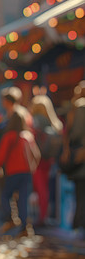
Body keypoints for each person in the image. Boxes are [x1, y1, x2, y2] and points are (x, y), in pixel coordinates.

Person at [0, 109, 40, 237]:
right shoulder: (28, 136)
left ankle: (11, 218)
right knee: (23, 199)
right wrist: (32, 168)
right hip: (26, 173)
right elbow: (37, 155)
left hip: (13, 172)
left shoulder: (9, 136)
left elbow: (0, 156)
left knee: (5, 196)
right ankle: (25, 227)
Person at [29, 94, 63, 227]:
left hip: (37, 159)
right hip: (49, 160)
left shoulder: (35, 121)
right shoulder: (53, 123)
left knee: (39, 189)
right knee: (45, 189)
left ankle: (41, 217)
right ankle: (45, 215)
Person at [60, 80, 85, 233]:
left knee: (79, 192)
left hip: (77, 154)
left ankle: (78, 222)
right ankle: (79, 222)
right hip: (80, 155)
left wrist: (67, 149)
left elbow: (69, 134)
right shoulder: (80, 108)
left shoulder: (74, 109)